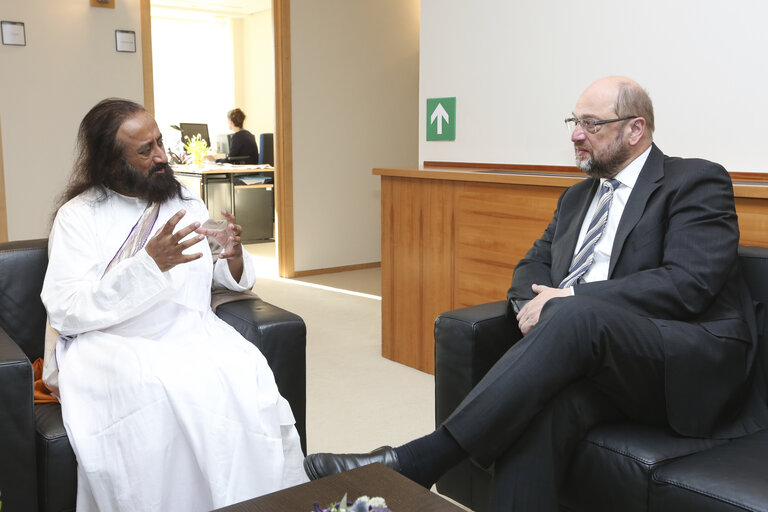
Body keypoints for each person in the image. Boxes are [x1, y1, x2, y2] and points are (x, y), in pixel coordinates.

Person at [303, 76, 766, 510]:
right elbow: (532, 266)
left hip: (683, 358)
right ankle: (415, 465)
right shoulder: (575, 198)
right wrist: (534, 307)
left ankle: (415, 461)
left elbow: (689, 282)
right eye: (574, 122)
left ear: (635, 130)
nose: (576, 135)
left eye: (591, 124)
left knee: (575, 311)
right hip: (599, 361)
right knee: (542, 410)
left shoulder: (695, 181)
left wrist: (569, 302)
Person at [41, 98, 307, 512]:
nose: (162, 156)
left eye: (160, 142)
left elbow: (212, 274)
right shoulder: (78, 217)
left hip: (188, 328)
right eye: (145, 151)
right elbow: (68, 308)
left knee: (244, 371)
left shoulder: (184, 201)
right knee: (160, 388)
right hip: (111, 343)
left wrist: (232, 255)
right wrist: (148, 264)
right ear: (111, 163)